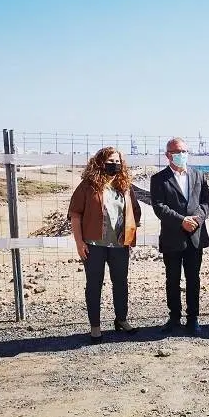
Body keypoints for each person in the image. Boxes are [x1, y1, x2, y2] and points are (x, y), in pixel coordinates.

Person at [68, 147, 142, 343]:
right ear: (100, 162)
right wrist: (79, 242)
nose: (114, 164)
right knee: (94, 285)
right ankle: (95, 326)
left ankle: (122, 319)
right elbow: (75, 214)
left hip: (119, 245)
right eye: (110, 161)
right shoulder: (88, 186)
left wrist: (130, 232)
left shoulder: (125, 186)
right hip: (94, 245)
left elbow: (135, 211)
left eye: (117, 161)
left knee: (121, 283)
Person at [150, 137, 209, 336]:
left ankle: (193, 318)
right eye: (177, 152)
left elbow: (207, 201)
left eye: (184, 151)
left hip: (195, 235)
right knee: (172, 279)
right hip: (172, 237)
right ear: (168, 155)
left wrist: (198, 219)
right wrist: (181, 221)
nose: (181, 155)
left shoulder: (198, 175)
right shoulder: (159, 179)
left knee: (194, 279)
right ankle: (174, 317)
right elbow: (159, 207)